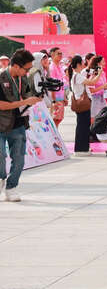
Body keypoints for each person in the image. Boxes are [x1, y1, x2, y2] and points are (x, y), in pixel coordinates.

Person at [0, 49, 40, 201]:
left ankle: (11, 187)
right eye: (26, 68)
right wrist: (24, 102)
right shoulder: (1, 78)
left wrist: (37, 97)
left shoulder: (23, 78)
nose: (28, 72)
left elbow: (28, 95)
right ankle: (1, 179)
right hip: (1, 123)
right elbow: (2, 105)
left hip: (18, 124)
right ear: (16, 66)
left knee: (19, 159)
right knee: (1, 156)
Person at [68, 54, 102, 156]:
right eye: (82, 62)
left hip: (81, 103)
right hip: (82, 104)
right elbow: (92, 82)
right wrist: (99, 74)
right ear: (79, 64)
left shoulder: (76, 75)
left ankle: (83, 148)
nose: (84, 64)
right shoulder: (77, 76)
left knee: (83, 126)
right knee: (83, 127)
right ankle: (81, 149)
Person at [48, 47, 66, 127]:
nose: (60, 55)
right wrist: (54, 101)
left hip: (60, 97)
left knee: (59, 119)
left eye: (61, 53)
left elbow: (62, 84)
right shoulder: (52, 68)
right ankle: (54, 135)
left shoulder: (60, 67)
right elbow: (52, 85)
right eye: (58, 53)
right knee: (54, 119)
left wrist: (64, 97)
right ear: (52, 55)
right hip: (55, 98)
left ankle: (55, 134)